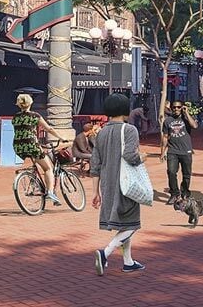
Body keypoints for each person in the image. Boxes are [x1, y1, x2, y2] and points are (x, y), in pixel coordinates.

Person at [89, 93, 146, 275]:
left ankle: (128, 261)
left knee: (124, 223)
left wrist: (95, 192)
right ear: (125, 110)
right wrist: (141, 157)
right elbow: (130, 156)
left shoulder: (101, 132)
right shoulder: (130, 130)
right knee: (131, 224)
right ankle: (105, 253)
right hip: (126, 183)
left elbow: (95, 165)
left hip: (107, 183)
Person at [12, 93, 60, 205]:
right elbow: (48, 128)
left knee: (38, 163)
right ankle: (50, 192)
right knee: (48, 168)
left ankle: (35, 181)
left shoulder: (15, 117)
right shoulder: (34, 116)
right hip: (31, 144)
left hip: (18, 146)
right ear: (30, 103)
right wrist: (60, 137)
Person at [159, 100, 196, 202]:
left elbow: (194, 126)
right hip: (173, 151)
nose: (176, 109)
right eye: (174, 107)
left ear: (182, 108)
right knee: (171, 172)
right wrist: (162, 152)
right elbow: (165, 137)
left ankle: (185, 193)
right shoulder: (168, 121)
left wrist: (186, 113)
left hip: (186, 151)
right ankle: (174, 193)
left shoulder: (186, 119)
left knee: (186, 174)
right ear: (171, 108)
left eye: (179, 107)